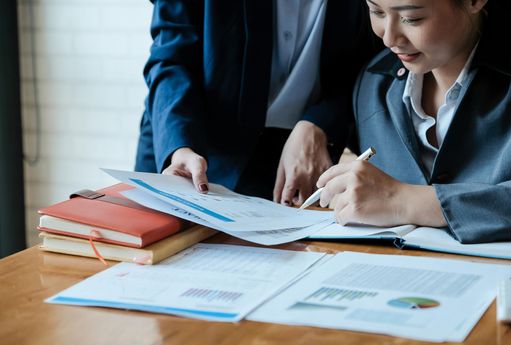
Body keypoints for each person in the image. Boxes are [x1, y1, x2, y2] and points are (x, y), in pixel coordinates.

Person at [317, 0, 511, 243]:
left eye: (411, 18)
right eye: (376, 12)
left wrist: (406, 201)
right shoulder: (373, 83)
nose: (389, 38)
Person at [134, 0, 380, 206]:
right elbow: (171, 58)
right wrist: (179, 147)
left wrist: (320, 123)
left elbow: (370, 57)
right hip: (188, 143)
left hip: (298, 156)